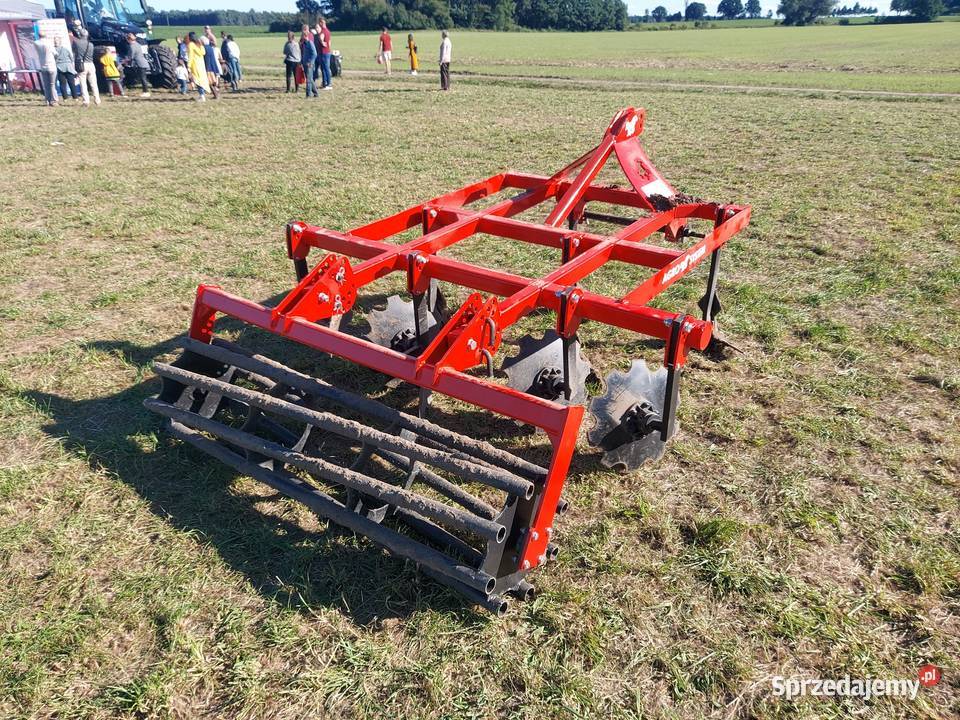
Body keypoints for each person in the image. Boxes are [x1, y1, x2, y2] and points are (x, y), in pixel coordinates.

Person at [72, 28, 100, 106]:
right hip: (91, 64)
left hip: (82, 64)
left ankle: (86, 101)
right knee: (94, 83)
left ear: (79, 35)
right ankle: (97, 100)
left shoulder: (76, 43)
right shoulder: (91, 44)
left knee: (83, 83)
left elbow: (74, 52)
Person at [33, 31, 58, 106]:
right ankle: (54, 100)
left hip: (43, 66)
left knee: (46, 85)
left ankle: (47, 100)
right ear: (46, 35)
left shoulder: (36, 43)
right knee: (52, 84)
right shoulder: (49, 43)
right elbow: (55, 53)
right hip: (51, 66)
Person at [53, 36, 79, 102]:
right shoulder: (65, 49)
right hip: (68, 67)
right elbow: (71, 58)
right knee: (71, 83)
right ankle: (75, 97)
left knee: (62, 84)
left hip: (59, 67)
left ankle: (65, 98)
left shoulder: (53, 50)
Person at [187, 32, 209, 101]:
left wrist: (188, 65)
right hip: (201, 65)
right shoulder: (199, 45)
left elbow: (190, 55)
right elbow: (203, 52)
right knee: (201, 80)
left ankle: (202, 96)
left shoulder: (191, 45)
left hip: (195, 65)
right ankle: (202, 95)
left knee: (197, 81)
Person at [300, 28, 317, 98]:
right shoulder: (304, 44)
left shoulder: (310, 43)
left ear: (305, 36)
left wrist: (310, 62)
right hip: (304, 63)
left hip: (309, 64)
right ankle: (316, 93)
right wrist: (301, 62)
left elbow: (314, 54)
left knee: (308, 80)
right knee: (310, 79)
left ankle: (308, 94)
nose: (301, 37)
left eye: (302, 36)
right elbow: (303, 54)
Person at [318, 18, 332, 90]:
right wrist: (328, 47)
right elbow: (329, 42)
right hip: (327, 51)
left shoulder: (323, 31)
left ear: (321, 23)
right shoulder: (328, 31)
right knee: (324, 68)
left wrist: (321, 42)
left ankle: (329, 84)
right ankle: (325, 83)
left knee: (325, 68)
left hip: (323, 52)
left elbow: (321, 38)